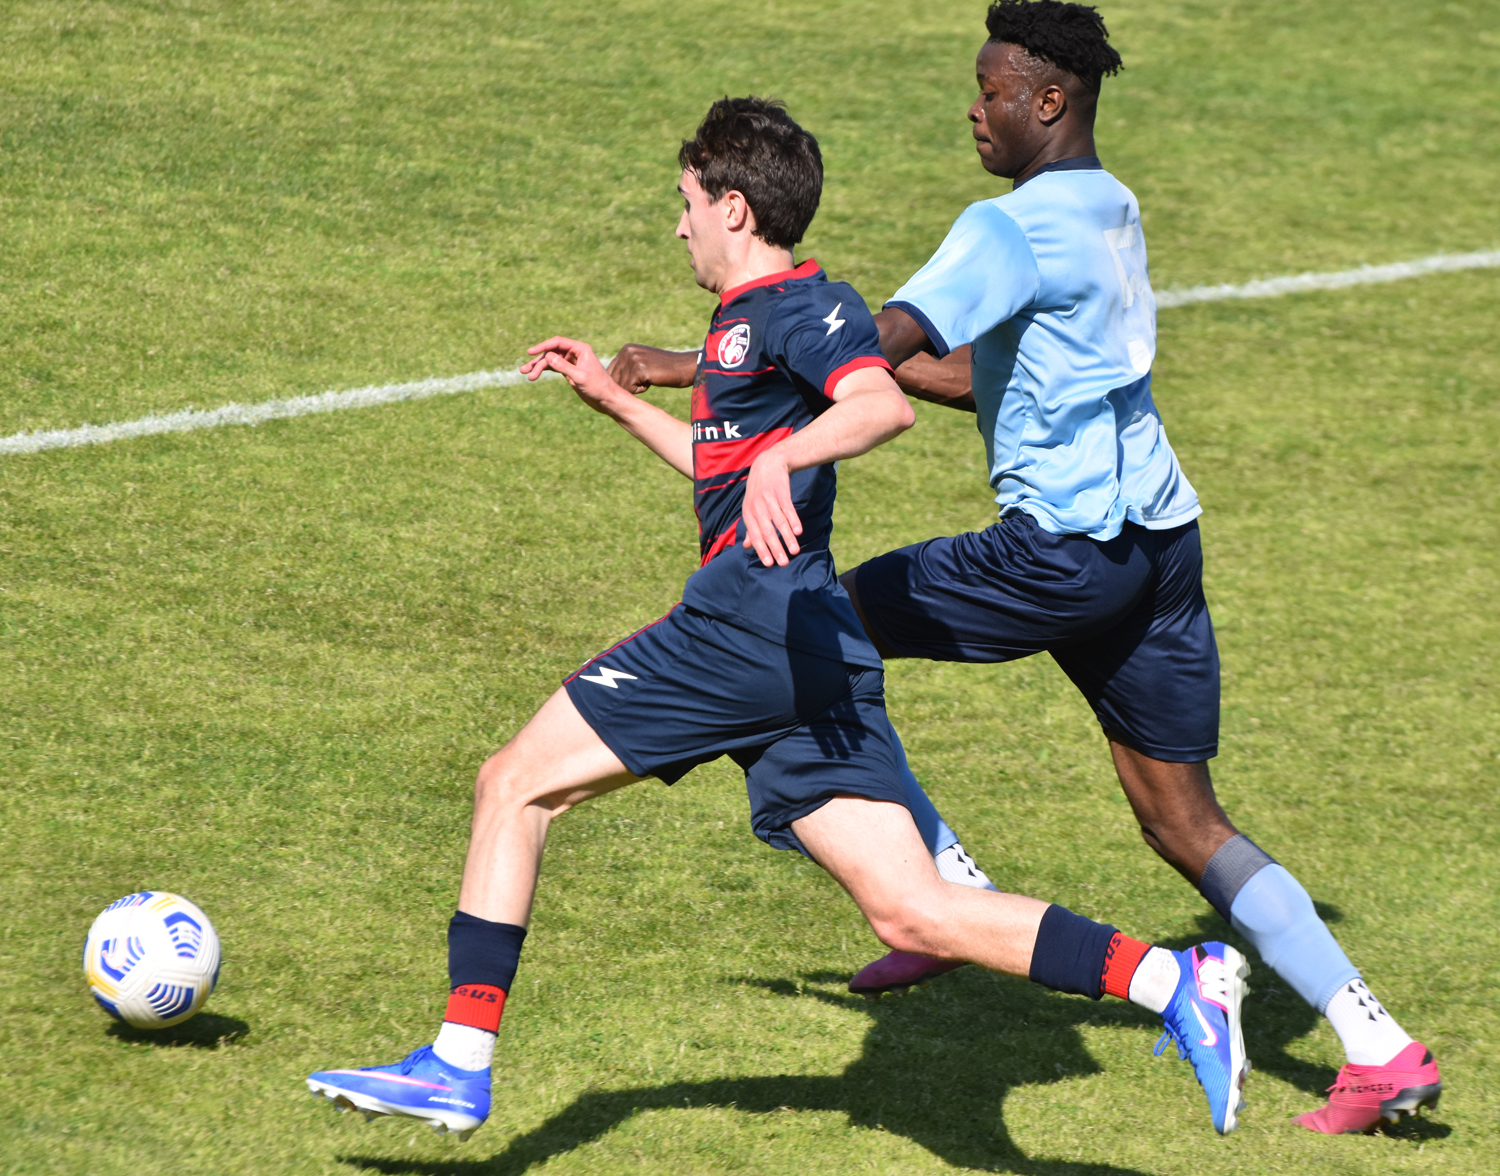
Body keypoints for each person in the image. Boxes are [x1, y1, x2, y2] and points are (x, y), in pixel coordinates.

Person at [305, 95, 1250, 1143]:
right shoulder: (740, 323)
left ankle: (458, 1061)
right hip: (808, 652)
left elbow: (880, 404)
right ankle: (1174, 981)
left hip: (740, 631)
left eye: (687, 203)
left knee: (513, 784)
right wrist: (619, 402)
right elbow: (723, 470)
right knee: (910, 909)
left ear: (736, 209)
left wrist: (785, 457)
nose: (679, 226)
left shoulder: (805, 309)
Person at [615, 0, 1442, 1139]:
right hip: (1160, 547)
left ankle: (940, 902)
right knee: (1183, 821)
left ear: (1048, 101)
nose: (975, 109)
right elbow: (982, 378)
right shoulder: (1112, 207)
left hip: (1057, 554)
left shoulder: (1002, 228)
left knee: (819, 624)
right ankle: (1376, 1042)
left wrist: (698, 365)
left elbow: (872, 352)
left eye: (992, 90)